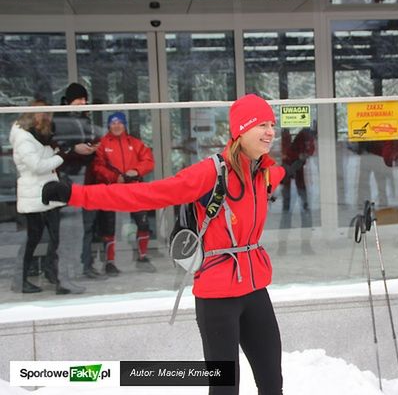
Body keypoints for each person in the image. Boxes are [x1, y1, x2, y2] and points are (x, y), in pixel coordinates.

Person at [42, 94, 285, 395]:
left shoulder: (263, 174)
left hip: (255, 291)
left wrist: (285, 168)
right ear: (241, 130)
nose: (270, 131)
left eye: (272, 124)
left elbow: (278, 173)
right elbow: (148, 194)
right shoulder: (211, 173)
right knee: (225, 389)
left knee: (273, 384)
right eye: (262, 124)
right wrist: (75, 194)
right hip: (217, 296)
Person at [9, 101, 74, 294]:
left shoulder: (38, 136)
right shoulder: (23, 138)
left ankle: (51, 271)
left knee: (56, 237)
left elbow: (44, 159)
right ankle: (20, 279)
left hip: (48, 191)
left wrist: (57, 153)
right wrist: (61, 156)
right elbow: (36, 166)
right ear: (36, 116)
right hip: (33, 194)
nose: (49, 120)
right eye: (47, 116)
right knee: (32, 239)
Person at [92, 111, 157, 275]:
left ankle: (143, 257)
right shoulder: (102, 144)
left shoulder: (135, 143)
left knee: (142, 223)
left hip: (134, 188)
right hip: (111, 189)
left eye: (119, 123)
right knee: (109, 226)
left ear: (124, 125)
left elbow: (148, 161)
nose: (116, 126)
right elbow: (97, 166)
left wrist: (135, 171)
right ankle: (110, 262)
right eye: (113, 123)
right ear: (109, 125)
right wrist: (115, 177)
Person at [54, 82, 105, 280]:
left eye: (84, 99)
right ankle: (66, 270)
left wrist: (92, 148)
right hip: (69, 177)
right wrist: (74, 149)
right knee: (70, 228)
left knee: (88, 225)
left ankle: (86, 264)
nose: (82, 102)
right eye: (78, 99)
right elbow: (58, 147)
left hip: (88, 177)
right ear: (68, 100)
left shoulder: (85, 120)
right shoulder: (60, 121)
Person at [281, 127, 315, 212]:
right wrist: (301, 156)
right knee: (295, 185)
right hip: (291, 163)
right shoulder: (303, 136)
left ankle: (299, 204)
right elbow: (289, 151)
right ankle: (301, 204)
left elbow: (310, 149)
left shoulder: (303, 136)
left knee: (296, 185)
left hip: (294, 163)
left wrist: (303, 155)